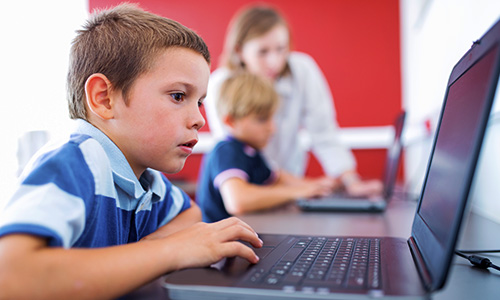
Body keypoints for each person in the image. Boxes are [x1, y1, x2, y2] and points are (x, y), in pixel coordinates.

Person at [0, 4, 262, 299]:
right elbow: (11, 275)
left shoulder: (144, 177)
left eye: (199, 101)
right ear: (104, 98)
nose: (200, 119)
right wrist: (170, 251)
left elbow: (191, 214)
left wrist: (144, 252)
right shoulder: (77, 162)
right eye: (179, 96)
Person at [205, 4, 383, 197]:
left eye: (281, 49)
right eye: (263, 52)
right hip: (250, 190)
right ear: (239, 51)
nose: (274, 61)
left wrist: (350, 181)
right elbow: (236, 148)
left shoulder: (301, 70)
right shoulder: (220, 85)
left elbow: (324, 132)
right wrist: (301, 188)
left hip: (289, 184)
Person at [197, 71, 335, 223]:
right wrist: (295, 192)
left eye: (272, 118)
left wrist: (318, 186)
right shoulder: (226, 151)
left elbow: (278, 177)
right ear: (231, 121)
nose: (272, 128)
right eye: (262, 119)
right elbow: (238, 201)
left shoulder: (251, 152)